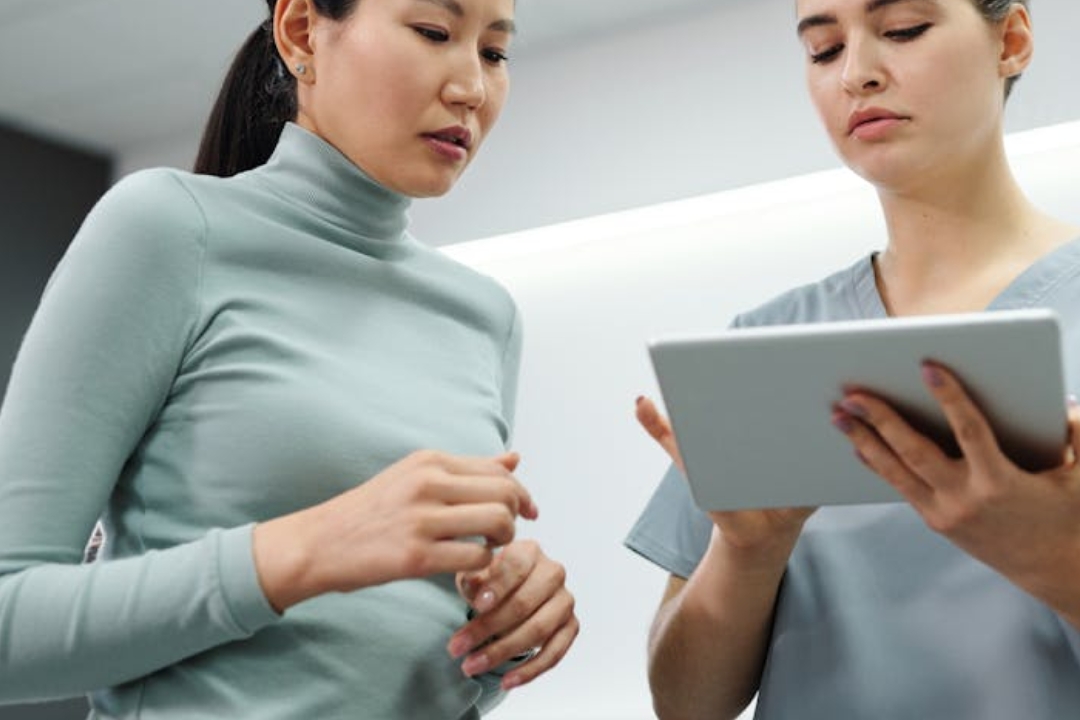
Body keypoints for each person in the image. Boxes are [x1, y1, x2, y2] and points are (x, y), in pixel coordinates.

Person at [0, 0, 578, 717]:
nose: (472, 88)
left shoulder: (488, 316)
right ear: (302, 31)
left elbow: (376, 661)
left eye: (494, 53)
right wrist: (301, 551)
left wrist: (500, 636)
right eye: (434, 32)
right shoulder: (170, 228)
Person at [625, 1, 1080, 718]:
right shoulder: (762, 347)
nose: (857, 74)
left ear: (1012, 40)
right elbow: (686, 706)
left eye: (903, 30)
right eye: (824, 49)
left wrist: (1054, 558)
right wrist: (749, 553)